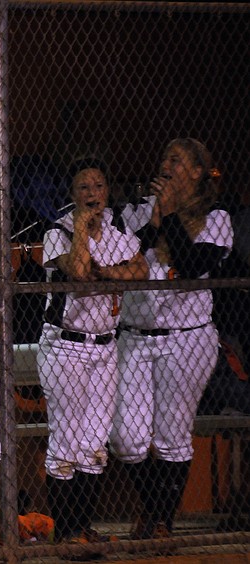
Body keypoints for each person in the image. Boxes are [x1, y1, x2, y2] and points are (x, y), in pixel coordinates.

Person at [111, 138, 234, 540]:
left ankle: (160, 522)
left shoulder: (215, 217)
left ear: (197, 172)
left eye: (176, 160)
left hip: (188, 339)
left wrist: (169, 217)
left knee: (171, 438)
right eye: (164, 156)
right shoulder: (140, 211)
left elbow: (193, 264)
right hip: (135, 335)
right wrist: (156, 218)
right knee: (127, 441)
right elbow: (125, 254)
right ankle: (155, 511)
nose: (166, 164)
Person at [37, 160, 148, 551]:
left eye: (98, 186)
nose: (91, 193)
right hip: (65, 345)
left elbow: (141, 272)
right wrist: (83, 229)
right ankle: (65, 531)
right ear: (73, 194)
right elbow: (81, 272)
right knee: (65, 442)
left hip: (105, 347)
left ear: (107, 191)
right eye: (83, 187)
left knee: (94, 445)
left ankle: (82, 528)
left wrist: (109, 273)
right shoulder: (58, 231)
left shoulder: (119, 232)